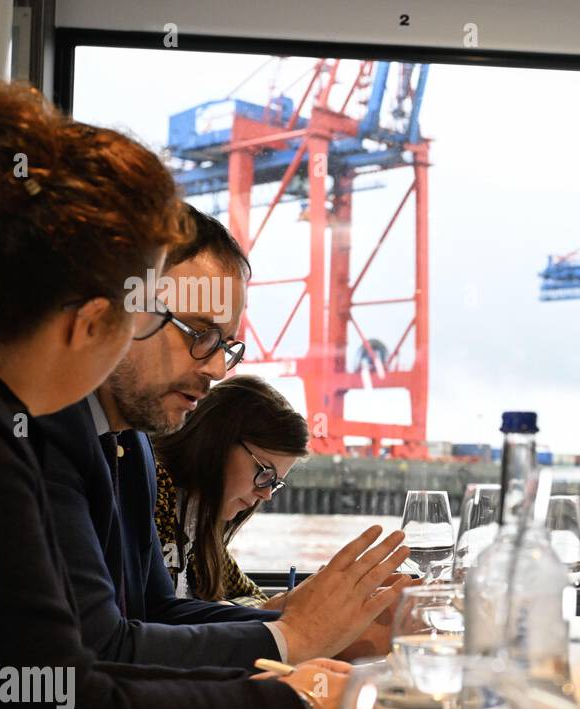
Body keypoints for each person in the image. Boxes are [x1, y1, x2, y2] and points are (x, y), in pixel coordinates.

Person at [0, 81, 346, 709]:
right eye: (149, 314)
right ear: (91, 323)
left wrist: (296, 629)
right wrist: (301, 707)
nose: (208, 364)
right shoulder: (5, 439)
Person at [35, 203, 411, 670]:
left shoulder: (132, 446)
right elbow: (99, 655)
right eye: (199, 333)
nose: (216, 368)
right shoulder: (43, 436)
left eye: (226, 346)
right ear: (118, 309)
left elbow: (156, 612)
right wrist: (294, 644)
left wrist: (287, 614)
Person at [153, 374, 307, 607]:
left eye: (274, 483)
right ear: (217, 440)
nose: (265, 494)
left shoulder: (200, 525)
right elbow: (151, 619)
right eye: (264, 471)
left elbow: (255, 597)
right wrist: (227, 615)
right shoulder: (154, 498)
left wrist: (234, 610)